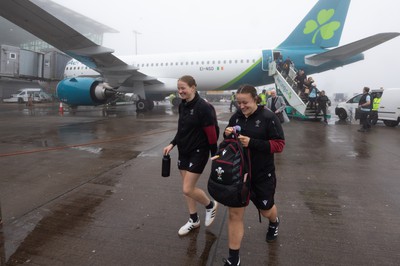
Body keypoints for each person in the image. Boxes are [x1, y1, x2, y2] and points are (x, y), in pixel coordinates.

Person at [222, 84, 285, 265]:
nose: (241, 107)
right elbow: (228, 142)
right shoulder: (236, 117)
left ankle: (274, 222)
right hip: (239, 175)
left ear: (255, 99)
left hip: (262, 174)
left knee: (266, 210)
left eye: (245, 102)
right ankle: (234, 259)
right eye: (238, 103)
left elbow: (279, 145)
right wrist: (227, 135)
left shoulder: (269, 117)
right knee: (234, 214)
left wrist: (253, 142)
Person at [162, 75, 219, 236]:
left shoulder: (203, 107)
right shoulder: (182, 105)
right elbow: (182, 130)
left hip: (199, 152)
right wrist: (172, 144)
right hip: (184, 150)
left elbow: (212, 133)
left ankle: (210, 205)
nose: (180, 91)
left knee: (187, 188)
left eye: (183, 88)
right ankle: (193, 219)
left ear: (193, 87)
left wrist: (214, 154)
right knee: (187, 189)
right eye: (178, 88)